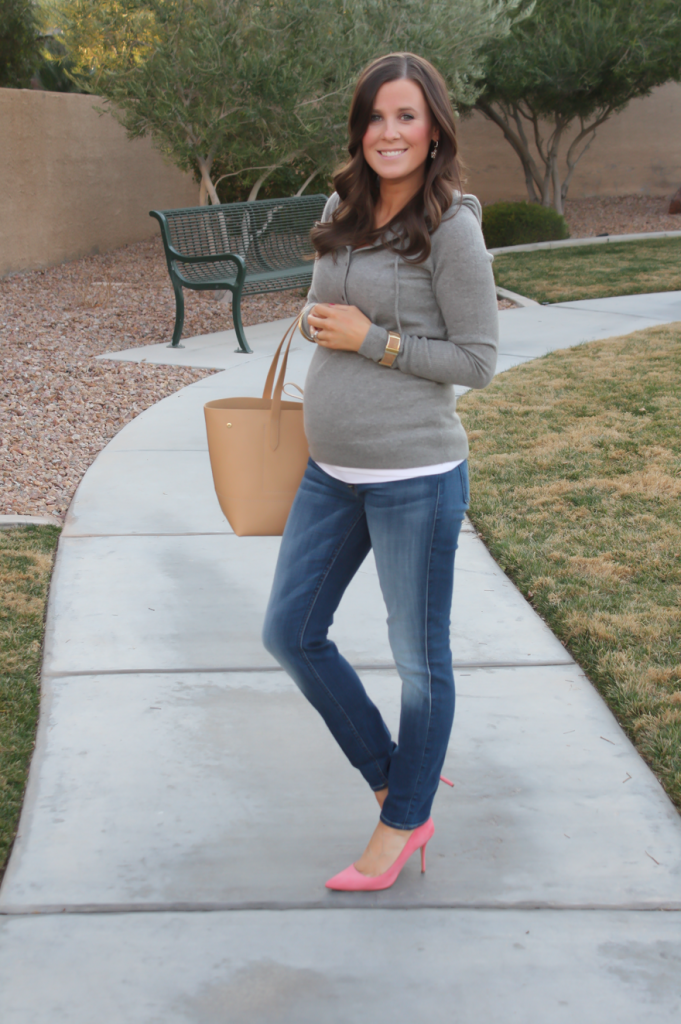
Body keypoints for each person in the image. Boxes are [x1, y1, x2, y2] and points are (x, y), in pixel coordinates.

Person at [262, 52, 498, 891]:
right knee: (288, 633)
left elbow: (476, 360)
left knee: (418, 660)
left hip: (415, 475)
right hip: (331, 470)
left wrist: (373, 340)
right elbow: (334, 299)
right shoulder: (343, 204)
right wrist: (326, 317)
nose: (387, 133)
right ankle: (402, 784)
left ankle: (400, 824)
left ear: (433, 128)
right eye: (374, 117)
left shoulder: (452, 228)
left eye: (405, 116)